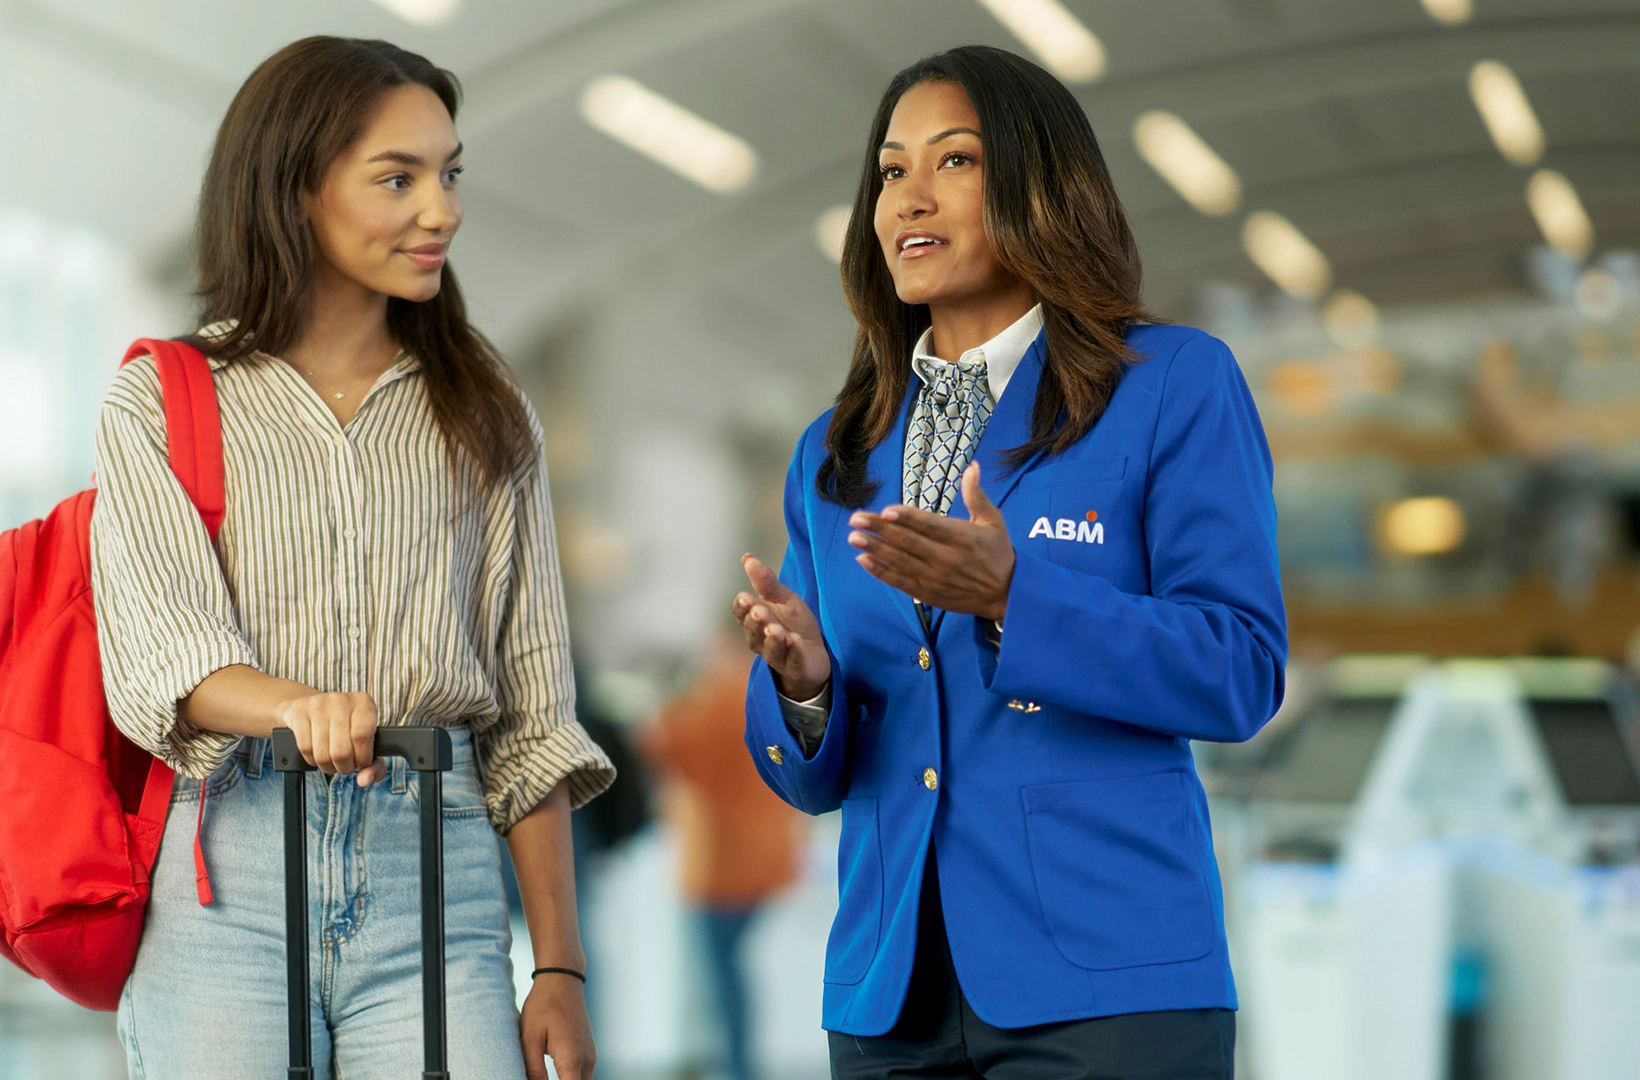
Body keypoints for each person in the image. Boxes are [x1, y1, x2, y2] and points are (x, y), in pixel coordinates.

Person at [730, 46, 1286, 1080]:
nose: (909, 197)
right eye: (891, 171)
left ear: (1040, 185)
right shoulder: (837, 448)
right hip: (889, 991)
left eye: (954, 161)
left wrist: (1014, 599)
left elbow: (1241, 668)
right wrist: (802, 685)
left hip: (1108, 980)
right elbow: (818, 776)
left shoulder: (1170, 385)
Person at [89, 37, 613, 1080]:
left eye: (449, 173)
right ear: (294, 191)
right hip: (224, 876)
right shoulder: (161, 399)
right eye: (398, 178)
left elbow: (532, 717)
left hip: (440, 870)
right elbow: (166, 648)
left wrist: (559, 966)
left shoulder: (487, 411)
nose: (443, 210)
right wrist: (294, 704)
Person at [640, 635, 809, 1080]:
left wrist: (668, 699)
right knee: (728, 972)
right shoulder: (761, 688)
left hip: (724, 864)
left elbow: (666, 743)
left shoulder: (718, 692)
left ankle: (734, 1068)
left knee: (721, 976)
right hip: (766, 852)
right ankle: (731, 1064)